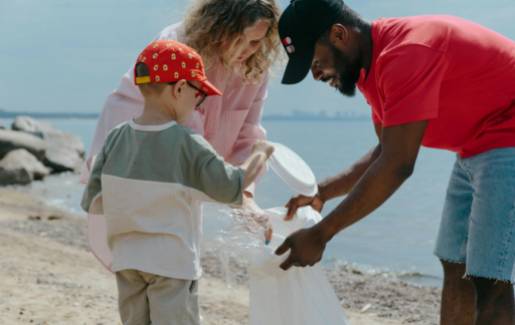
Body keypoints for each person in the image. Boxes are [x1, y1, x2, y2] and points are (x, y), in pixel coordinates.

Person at [274, 0, 515, 324]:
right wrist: (321, 193)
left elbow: (399, 164)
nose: (316, 75)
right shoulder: (372, 70)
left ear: (339, 34)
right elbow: (384, 152)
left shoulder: (407, 52)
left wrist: (321, 234)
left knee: (491, 280)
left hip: (506, 138)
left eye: (315, 62)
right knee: (454, 263)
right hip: (476, 145)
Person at [81, 40, 274, 325]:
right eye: (199, 94)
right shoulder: (187, 143)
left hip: (126, 260)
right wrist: (259, 154)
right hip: (171, 264)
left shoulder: (116, 138)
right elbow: (230, 185)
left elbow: (93, 203)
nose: (199, 102)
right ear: (180, 88)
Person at [82, 0, 281, 208]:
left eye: (255, 42)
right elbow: (223, 181)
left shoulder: (255, 69)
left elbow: (246, 135)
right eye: (237, 38)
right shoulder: (175, 49)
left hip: (178, 187)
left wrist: (246, 196)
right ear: (216, 24)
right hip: (153, 178)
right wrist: (259, 155)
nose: (243, 50)